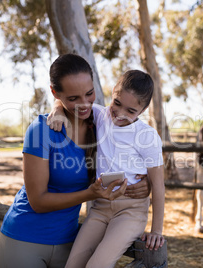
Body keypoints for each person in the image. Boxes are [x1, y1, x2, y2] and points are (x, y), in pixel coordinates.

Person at [0, 54, 150, 268]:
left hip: (69, 243)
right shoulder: (42, 131)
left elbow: (139, 151)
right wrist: (90, 194)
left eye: (89, 93)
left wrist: (145, 182)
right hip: (24, 239)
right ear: (56, 93)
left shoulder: (103, 123)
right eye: (73, 98)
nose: (84, 104)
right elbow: (37, 201)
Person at [50, 70, 165, 268]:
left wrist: (156, 230)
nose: (120, 114)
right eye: (117, 103)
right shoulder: (100, 114)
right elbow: (67, 101)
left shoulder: (147, 135)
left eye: (131, 111)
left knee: (98, 265)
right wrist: (57, 110)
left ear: (143, 110)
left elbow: (158, 184)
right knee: (72, 265)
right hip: (100, 209)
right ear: (113, 92)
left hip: (131, 211)